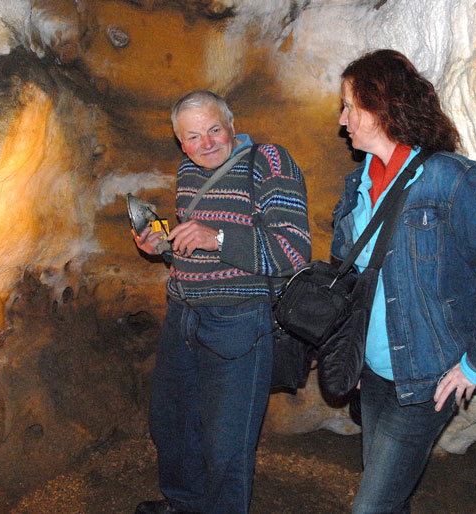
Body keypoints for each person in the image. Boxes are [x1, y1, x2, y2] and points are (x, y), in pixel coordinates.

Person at [330, 49, 476, 513]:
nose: (342, 120)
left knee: (372, 507)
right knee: (391, 498)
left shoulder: (449, 179)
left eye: (349, 105)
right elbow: (353, 282)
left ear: (380, 106)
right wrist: (352, 353)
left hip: (427, 376)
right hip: (373, 371)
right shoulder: (357, 186)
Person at [132, 90, 311, 514]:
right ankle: (184, 504)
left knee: (226, 441)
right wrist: (161, 246)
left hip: (238, 321)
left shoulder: (268, 161)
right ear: (180, 143)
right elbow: (194, 251)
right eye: (192, 137)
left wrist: (218, 237)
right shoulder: (188, 172)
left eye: (214, 129)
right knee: (173, 423)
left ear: (232, 125)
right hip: (182, 313)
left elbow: (293, 251)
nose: (206, 144)